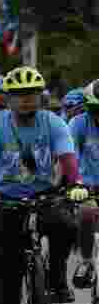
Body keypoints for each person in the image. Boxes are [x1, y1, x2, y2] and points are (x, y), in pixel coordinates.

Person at [0, 66, 88, 304]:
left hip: (44, 196)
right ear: (8, 99)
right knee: (4, 270)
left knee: (66, 224)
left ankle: (56, 281)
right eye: (20, 96)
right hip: (5, 199)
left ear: (41, 97)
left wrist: (76, 184)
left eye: (32, 95)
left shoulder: (53, 123)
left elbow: (67, 157)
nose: (26, 100)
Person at [68, 81, 99, 291]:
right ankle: (86, 261)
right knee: (87, 212)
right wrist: (76, 183)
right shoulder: (78, 124)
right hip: (87, 186)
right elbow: (70, 157)